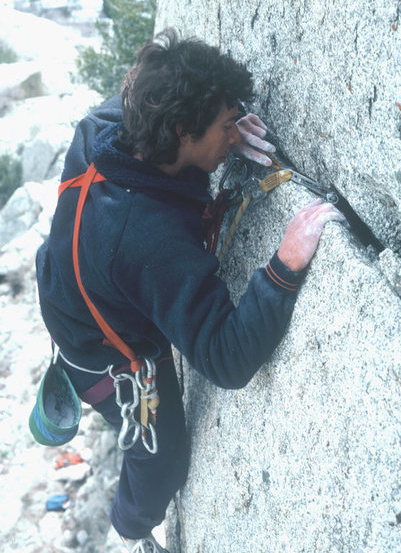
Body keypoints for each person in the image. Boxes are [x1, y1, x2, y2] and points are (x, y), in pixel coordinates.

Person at [36, 29, 344, 553]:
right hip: (105, 351)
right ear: (182, 131)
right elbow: (225, 358)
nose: (235, 132)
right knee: (161, 460)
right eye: (228, 126)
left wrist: (225, 130)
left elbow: (168, 115)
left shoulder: (108, 124)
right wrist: (283, 266)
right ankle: (131, 532)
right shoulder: (142, 237)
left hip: (74, 286)